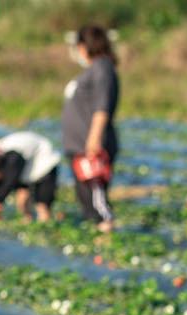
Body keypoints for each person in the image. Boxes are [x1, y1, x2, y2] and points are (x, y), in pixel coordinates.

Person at [62, 24, 120, 232]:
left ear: (85, 46)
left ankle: (106, 236)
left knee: (98, 202)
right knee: (87, 199)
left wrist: (94, 139)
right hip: (79, 148)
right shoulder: (93, 69)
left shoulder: (102, 68)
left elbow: (102, 106)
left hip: (91, 147)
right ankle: (99, 238)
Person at [0, 131, 61, 223]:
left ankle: (44, 225)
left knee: (42, 205)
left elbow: (9, 182)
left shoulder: (13, 158)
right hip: (27, 160)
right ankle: (26, 221)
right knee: (22, 197)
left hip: (45, 161)